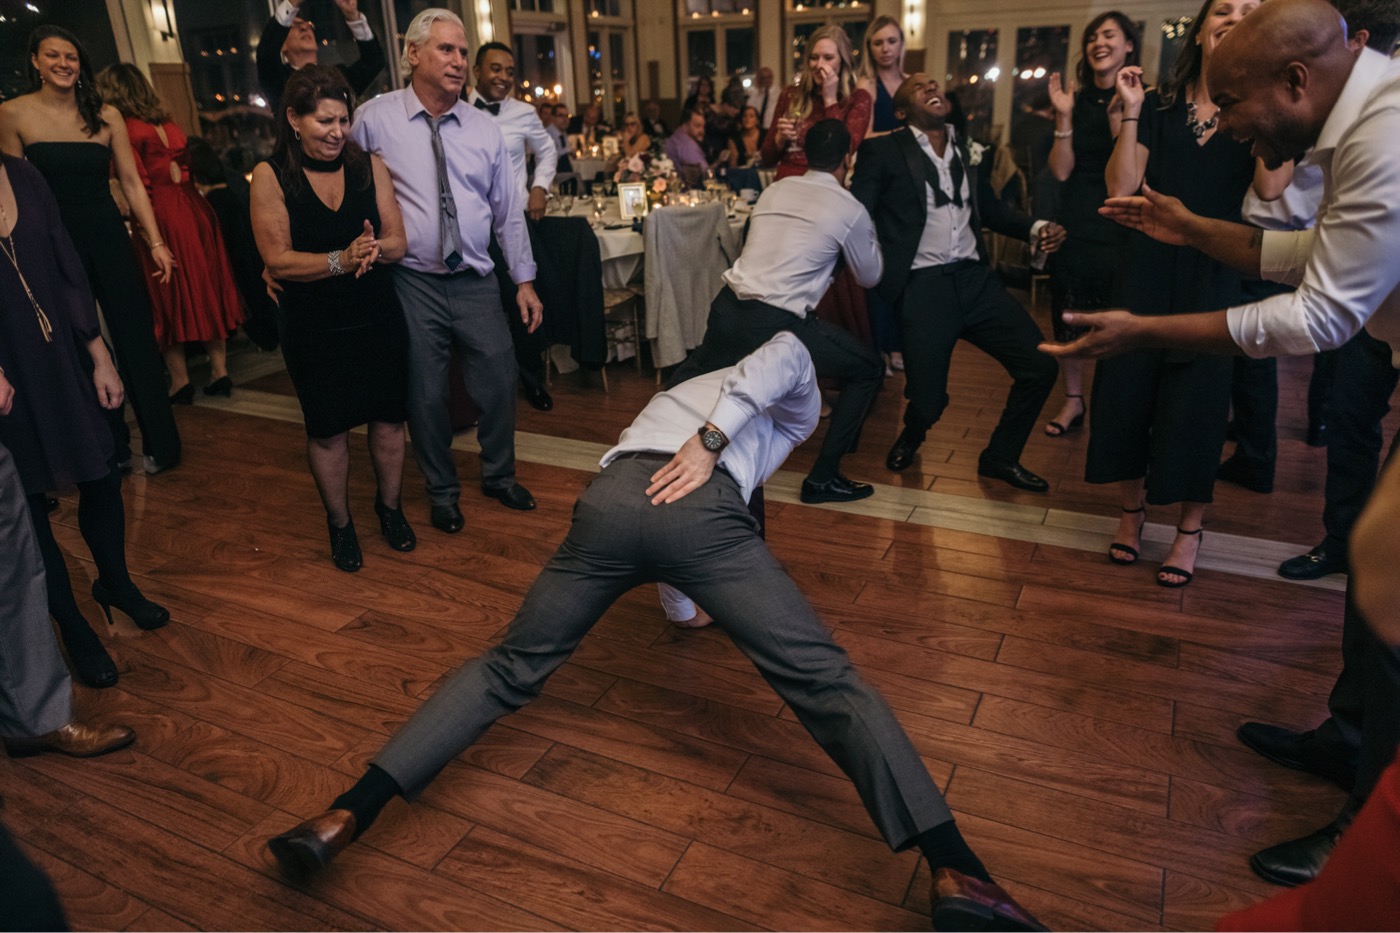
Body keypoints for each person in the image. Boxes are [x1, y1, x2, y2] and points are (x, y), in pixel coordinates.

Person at [265, 333, 1047, 933]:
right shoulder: (797, 388)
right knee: (825, 681)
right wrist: (712, 445)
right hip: (699, 515)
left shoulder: (677, 392)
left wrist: (686, 606)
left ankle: (346, 811)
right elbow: (778, 359)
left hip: (609, 505)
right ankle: (957, 867)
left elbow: (665, 517)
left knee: (507, 667)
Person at [1042, 0, 1400, 888]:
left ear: (1295, 81)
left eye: (1236, 104)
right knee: (1374, 568)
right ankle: (1352, 739)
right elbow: (1315, 250)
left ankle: (1370, 828)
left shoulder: (1383, 135)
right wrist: (1194, 227)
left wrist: (1147, 330)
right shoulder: (1355, 111)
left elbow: (1319, 314)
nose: (1229, 125)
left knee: (1393, 588)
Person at [1091, 0, 1279, 587]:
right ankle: (1130, 514)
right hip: (1144, 266)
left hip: (1212, 268)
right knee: (1126, 390)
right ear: (1199, 31)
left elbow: (1272, 188)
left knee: (1198, 403)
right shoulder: (1159, 105)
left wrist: (1271, 104)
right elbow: (1122, 187)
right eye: (1222, 9)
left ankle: (1189, 531)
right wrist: (1130, 109)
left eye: (1249, 11)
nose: (1234, 17)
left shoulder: (1254, 110)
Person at [350, 9, 542, 535]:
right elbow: (340, 182)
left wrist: (524, 281)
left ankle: (499, 476)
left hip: (476, 279)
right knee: (425, 392)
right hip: (411, 279)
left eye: (462, 52)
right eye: (447, 49)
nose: (459, 61)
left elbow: (508, 212)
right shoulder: (374, 119)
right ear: (413, 54)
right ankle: (441, 492)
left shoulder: (484, 130)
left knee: (499, 379)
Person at [0, 154, 170, 691]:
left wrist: (99, 354)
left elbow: (67, 266)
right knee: (27, 505)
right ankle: (72, 626)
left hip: (59, 356)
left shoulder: (25, 175)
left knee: (102, 473)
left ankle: (115, 583)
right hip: (6, 374)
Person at [851, 74, 1064, 493]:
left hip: (976, 281)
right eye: (919, 87)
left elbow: (991, 210)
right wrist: (874, 269)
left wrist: (1035, 227)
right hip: (923, 287)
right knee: (928, 400)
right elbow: (856, 214)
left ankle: (1000, 456)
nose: (932, 87)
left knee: (1040, 366)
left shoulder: (968, 149)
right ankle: (912, 434)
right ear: (901, 112)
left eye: (934, 84)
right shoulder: (883, 150)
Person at [667, 119, 884, 505]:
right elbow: (869, 276)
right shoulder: (849, 207)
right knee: (868, 369)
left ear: (806, 154)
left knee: (693, 374)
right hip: (778, 324)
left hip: (727, 308)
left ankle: (657, 448)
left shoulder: (774, 190)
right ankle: (823, 478)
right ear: (847, 159)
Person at [251, 67, 412, 573]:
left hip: (376, 313)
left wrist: (374, 249)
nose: (338, 131)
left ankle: (390, 509)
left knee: (389, 419)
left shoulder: (370, 167)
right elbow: (277, 260)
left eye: (343, 120)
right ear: (294, 119)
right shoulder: (271, 175)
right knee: (328, 430)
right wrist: (342, 259)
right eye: (325, 121)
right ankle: (340, 524)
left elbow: (398, 241)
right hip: (313, 324)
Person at [0, 26, 180, 476]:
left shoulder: (106, 114)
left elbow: (131, 183)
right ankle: (108, 447)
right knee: (79, 341)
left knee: (135, 336)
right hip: (52, 242)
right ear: (35, 62)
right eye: (53, 55)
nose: (64, 63)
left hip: (107, 234)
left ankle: (162, 444)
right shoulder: (13, 113)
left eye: (72, 56)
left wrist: (156, 242)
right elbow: (13, 191)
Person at [96, 63, 244, 402]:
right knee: (207, 286)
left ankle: (180, 381)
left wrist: (148, 234)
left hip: (160, 214)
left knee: (164, 295)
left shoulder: (126, 129)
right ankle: (220, 371)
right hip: (194, 208)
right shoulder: (169, 123)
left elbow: (139, 183)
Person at [1040, 12, 1140, 440]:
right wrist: (1063, 117)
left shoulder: (1142, 98)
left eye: (1109, 35)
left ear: (1129, 44)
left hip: (1122, 219)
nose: (1099, 42)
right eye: (1092, 37)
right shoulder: (1075, 101)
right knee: (1069, 312)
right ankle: (1074, 400)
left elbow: (1133, 174)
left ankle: (1115, 405)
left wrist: (1123, 116)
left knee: (1119, 312)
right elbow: (1061, 171)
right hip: (1077, 218)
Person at [467, 42, 558, 413]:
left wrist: (540, 187)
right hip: (473, 227)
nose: (504, 77)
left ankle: (532, 380)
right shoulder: (457, 111)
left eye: (509, 71)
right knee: (479, 307)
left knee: (524, 301)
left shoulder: (523, 113)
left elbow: (548, 150)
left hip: (514, 223)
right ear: (476, 71)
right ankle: (482, 388)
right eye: (495, 69)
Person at [186, 137, 281, 352]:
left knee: (249, 293)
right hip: (251, 256)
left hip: (240, 262)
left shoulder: (214, 202)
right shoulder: (232, 187)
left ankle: (266, 336)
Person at [762, 25, 873, 179]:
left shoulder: (858, 99)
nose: (819, 65)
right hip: (787, 182)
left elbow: (840, 155)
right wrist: (780, 138)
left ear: (842, 61)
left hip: (825, 186)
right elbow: (766, 159)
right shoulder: (791, 94)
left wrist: (830, 99)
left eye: (828, 58)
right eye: (814, 58)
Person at [256, 0, 386, 116]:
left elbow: (374, 61)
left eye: (309, 25)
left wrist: (353, 16)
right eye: (294, 25)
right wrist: (292, 3)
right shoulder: (279, 81)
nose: (304, 27)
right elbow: (266, 53)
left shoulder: (336, 78)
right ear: (281, 44)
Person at [859, 16, 910, 136]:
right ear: (869, 49)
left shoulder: (910, 81)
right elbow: (864, 136)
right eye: (878, 43)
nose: (885, 49)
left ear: (901, 44)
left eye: (892, 41)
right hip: (879, 148)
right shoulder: (866, 85)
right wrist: (905, 134)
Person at [663, 107, 710, 185]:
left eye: (703, 127)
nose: (702, 131)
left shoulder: (677, 137)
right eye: (697, 126)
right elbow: (704, 174)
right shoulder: (686, 145)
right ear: (685, 125)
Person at [746, 66, 778, 131]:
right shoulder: (754, 93)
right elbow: (749, 108)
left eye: (768, 77)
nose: (766, 80)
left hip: (771, 128)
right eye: (763, 78)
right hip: (756, 129)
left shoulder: (778, 93)